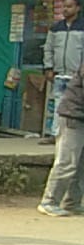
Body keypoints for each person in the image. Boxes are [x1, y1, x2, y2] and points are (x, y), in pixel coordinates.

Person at [38, 61, 84, 217]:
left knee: (80, 164)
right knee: (67, 162)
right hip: (73, 116)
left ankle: (72, 203)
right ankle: (49, 202)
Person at [43, 0, 84, 145]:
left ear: (77, 8)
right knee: (58, 105)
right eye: (64, 6)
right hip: (60, 74)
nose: (66, 9)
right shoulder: (56, 28)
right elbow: (48, 49)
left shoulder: (82, 27)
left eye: (70, 6)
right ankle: (55, 135)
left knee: (78, 107)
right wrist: (48, 67)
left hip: (78, 75)